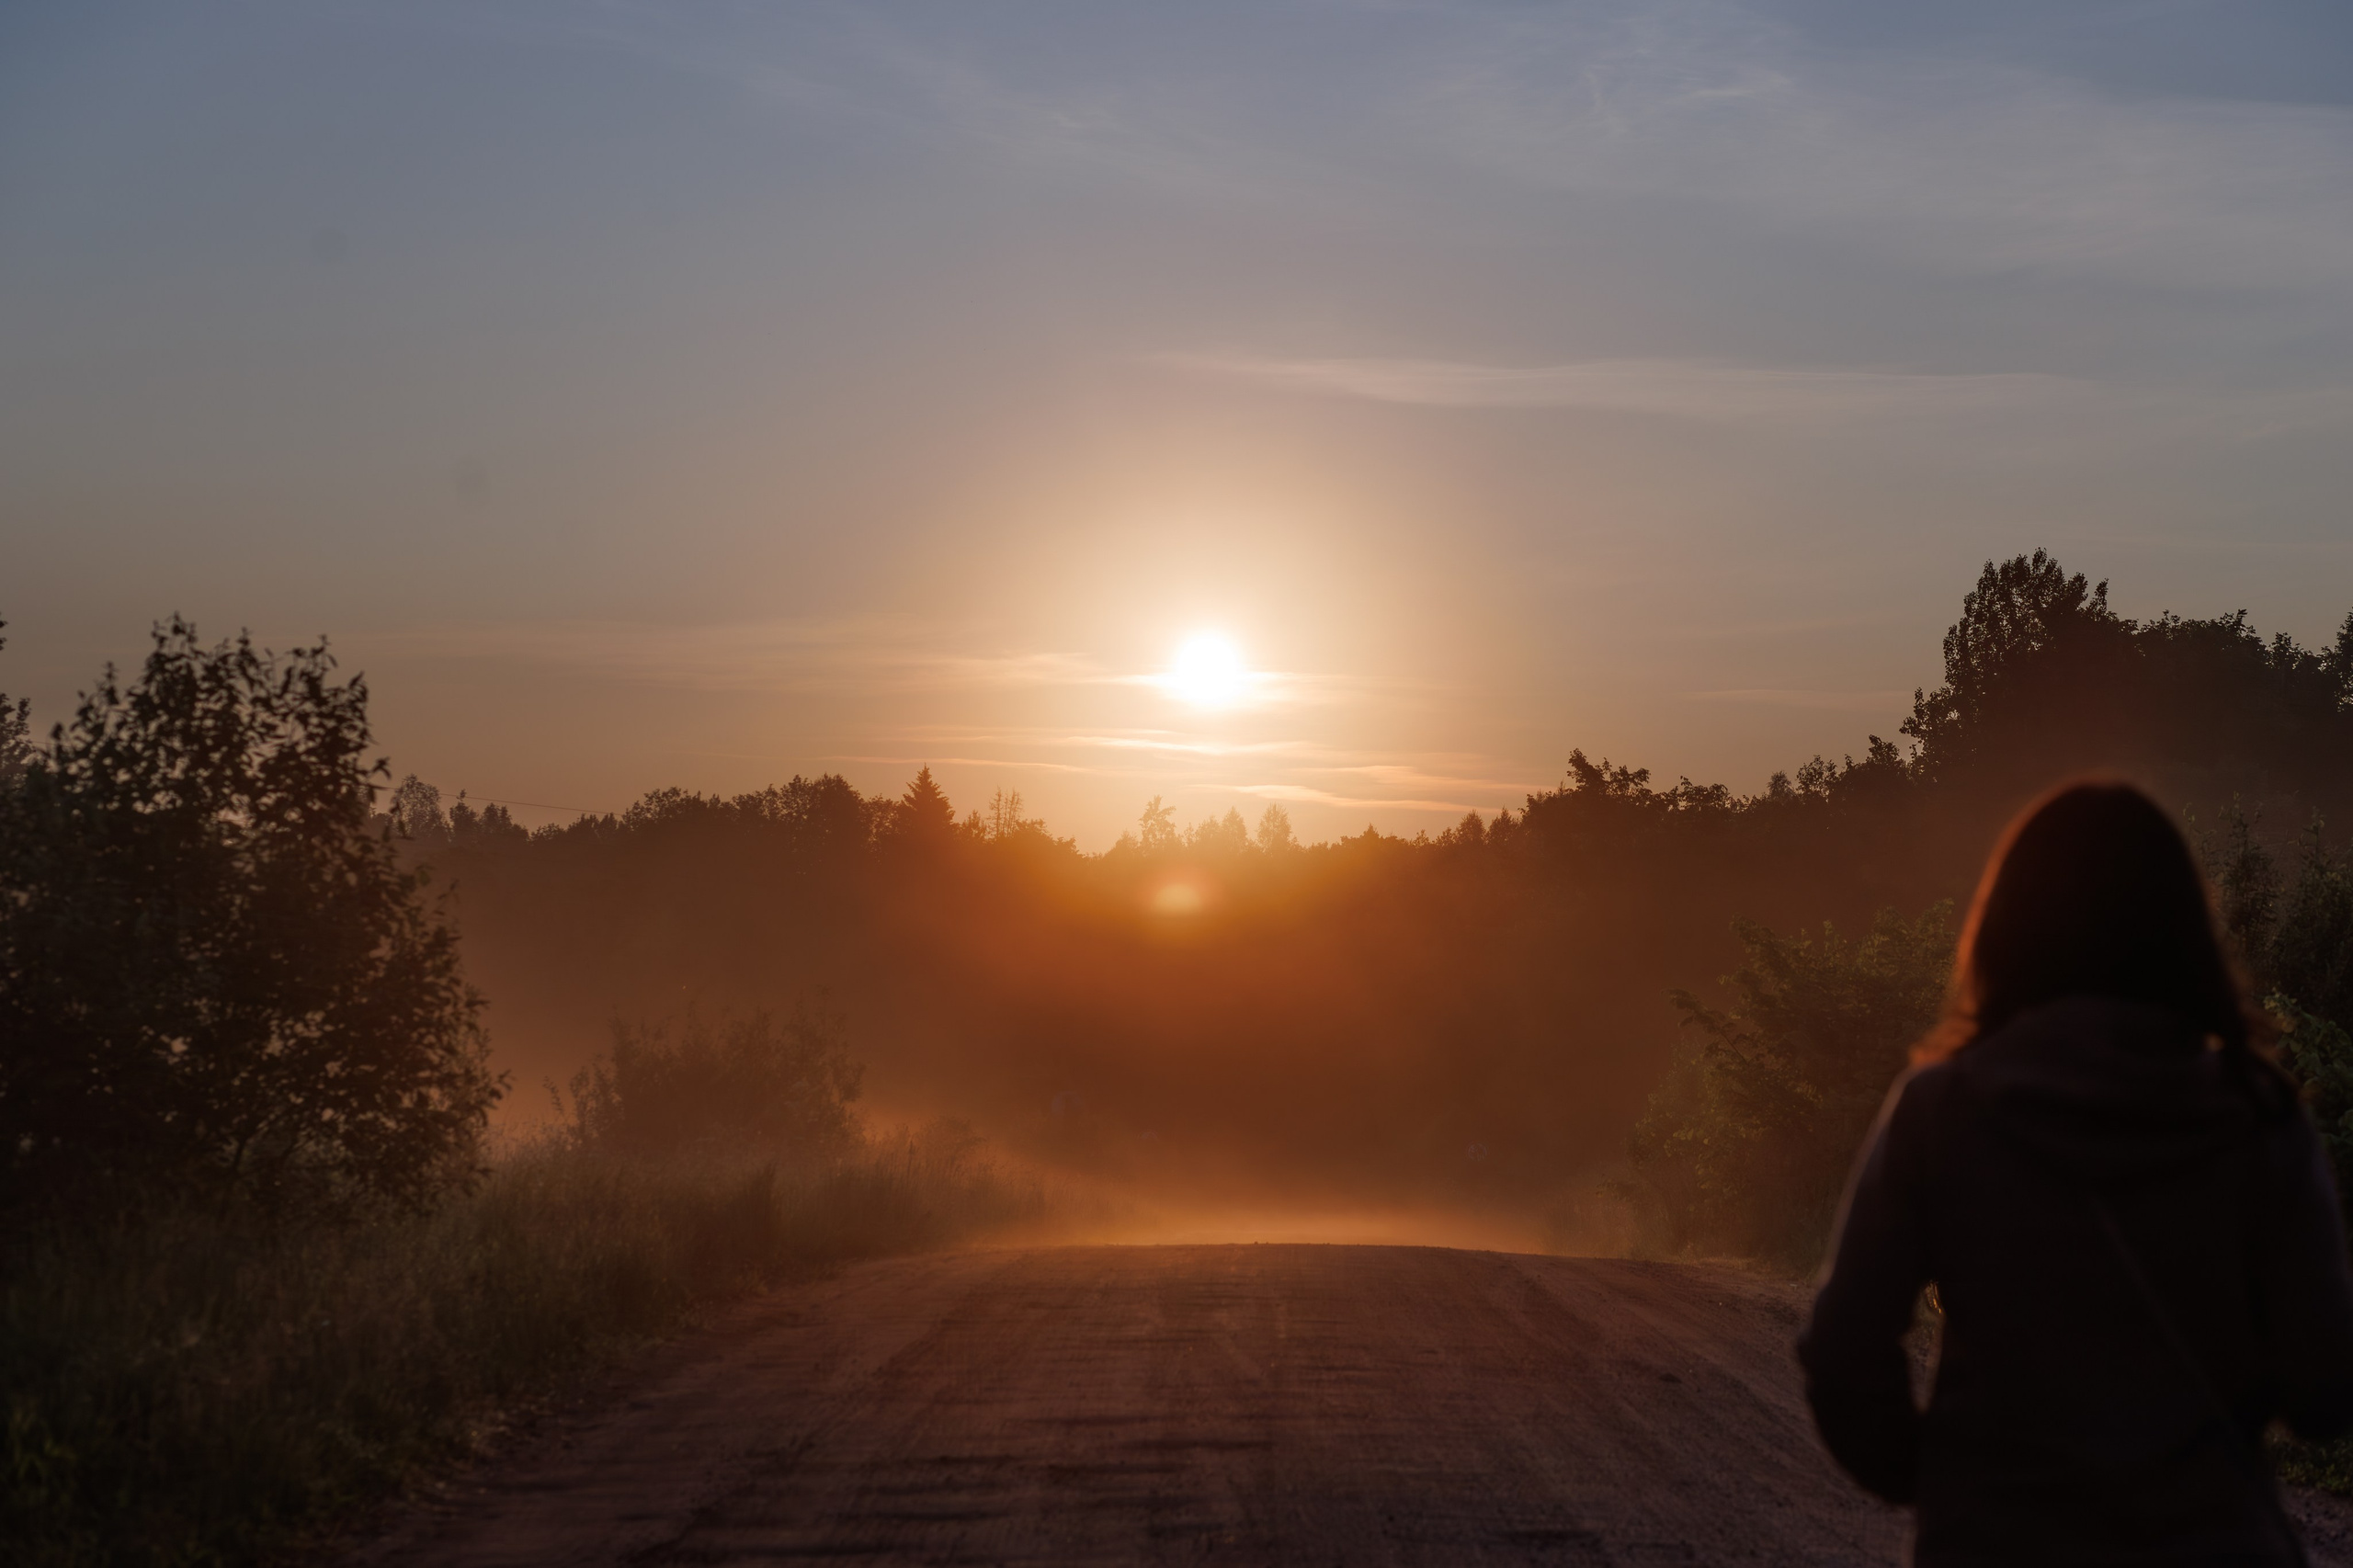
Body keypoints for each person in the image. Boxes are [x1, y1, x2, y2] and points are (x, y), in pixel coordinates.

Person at [1801, 779, 2353, 1565]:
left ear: (2004, 932)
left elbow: (1841, 1348)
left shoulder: (1944, 1109)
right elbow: (2325, 1390)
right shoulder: (2259, 1117)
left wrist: (1944, 1482)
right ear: (2184, 935)